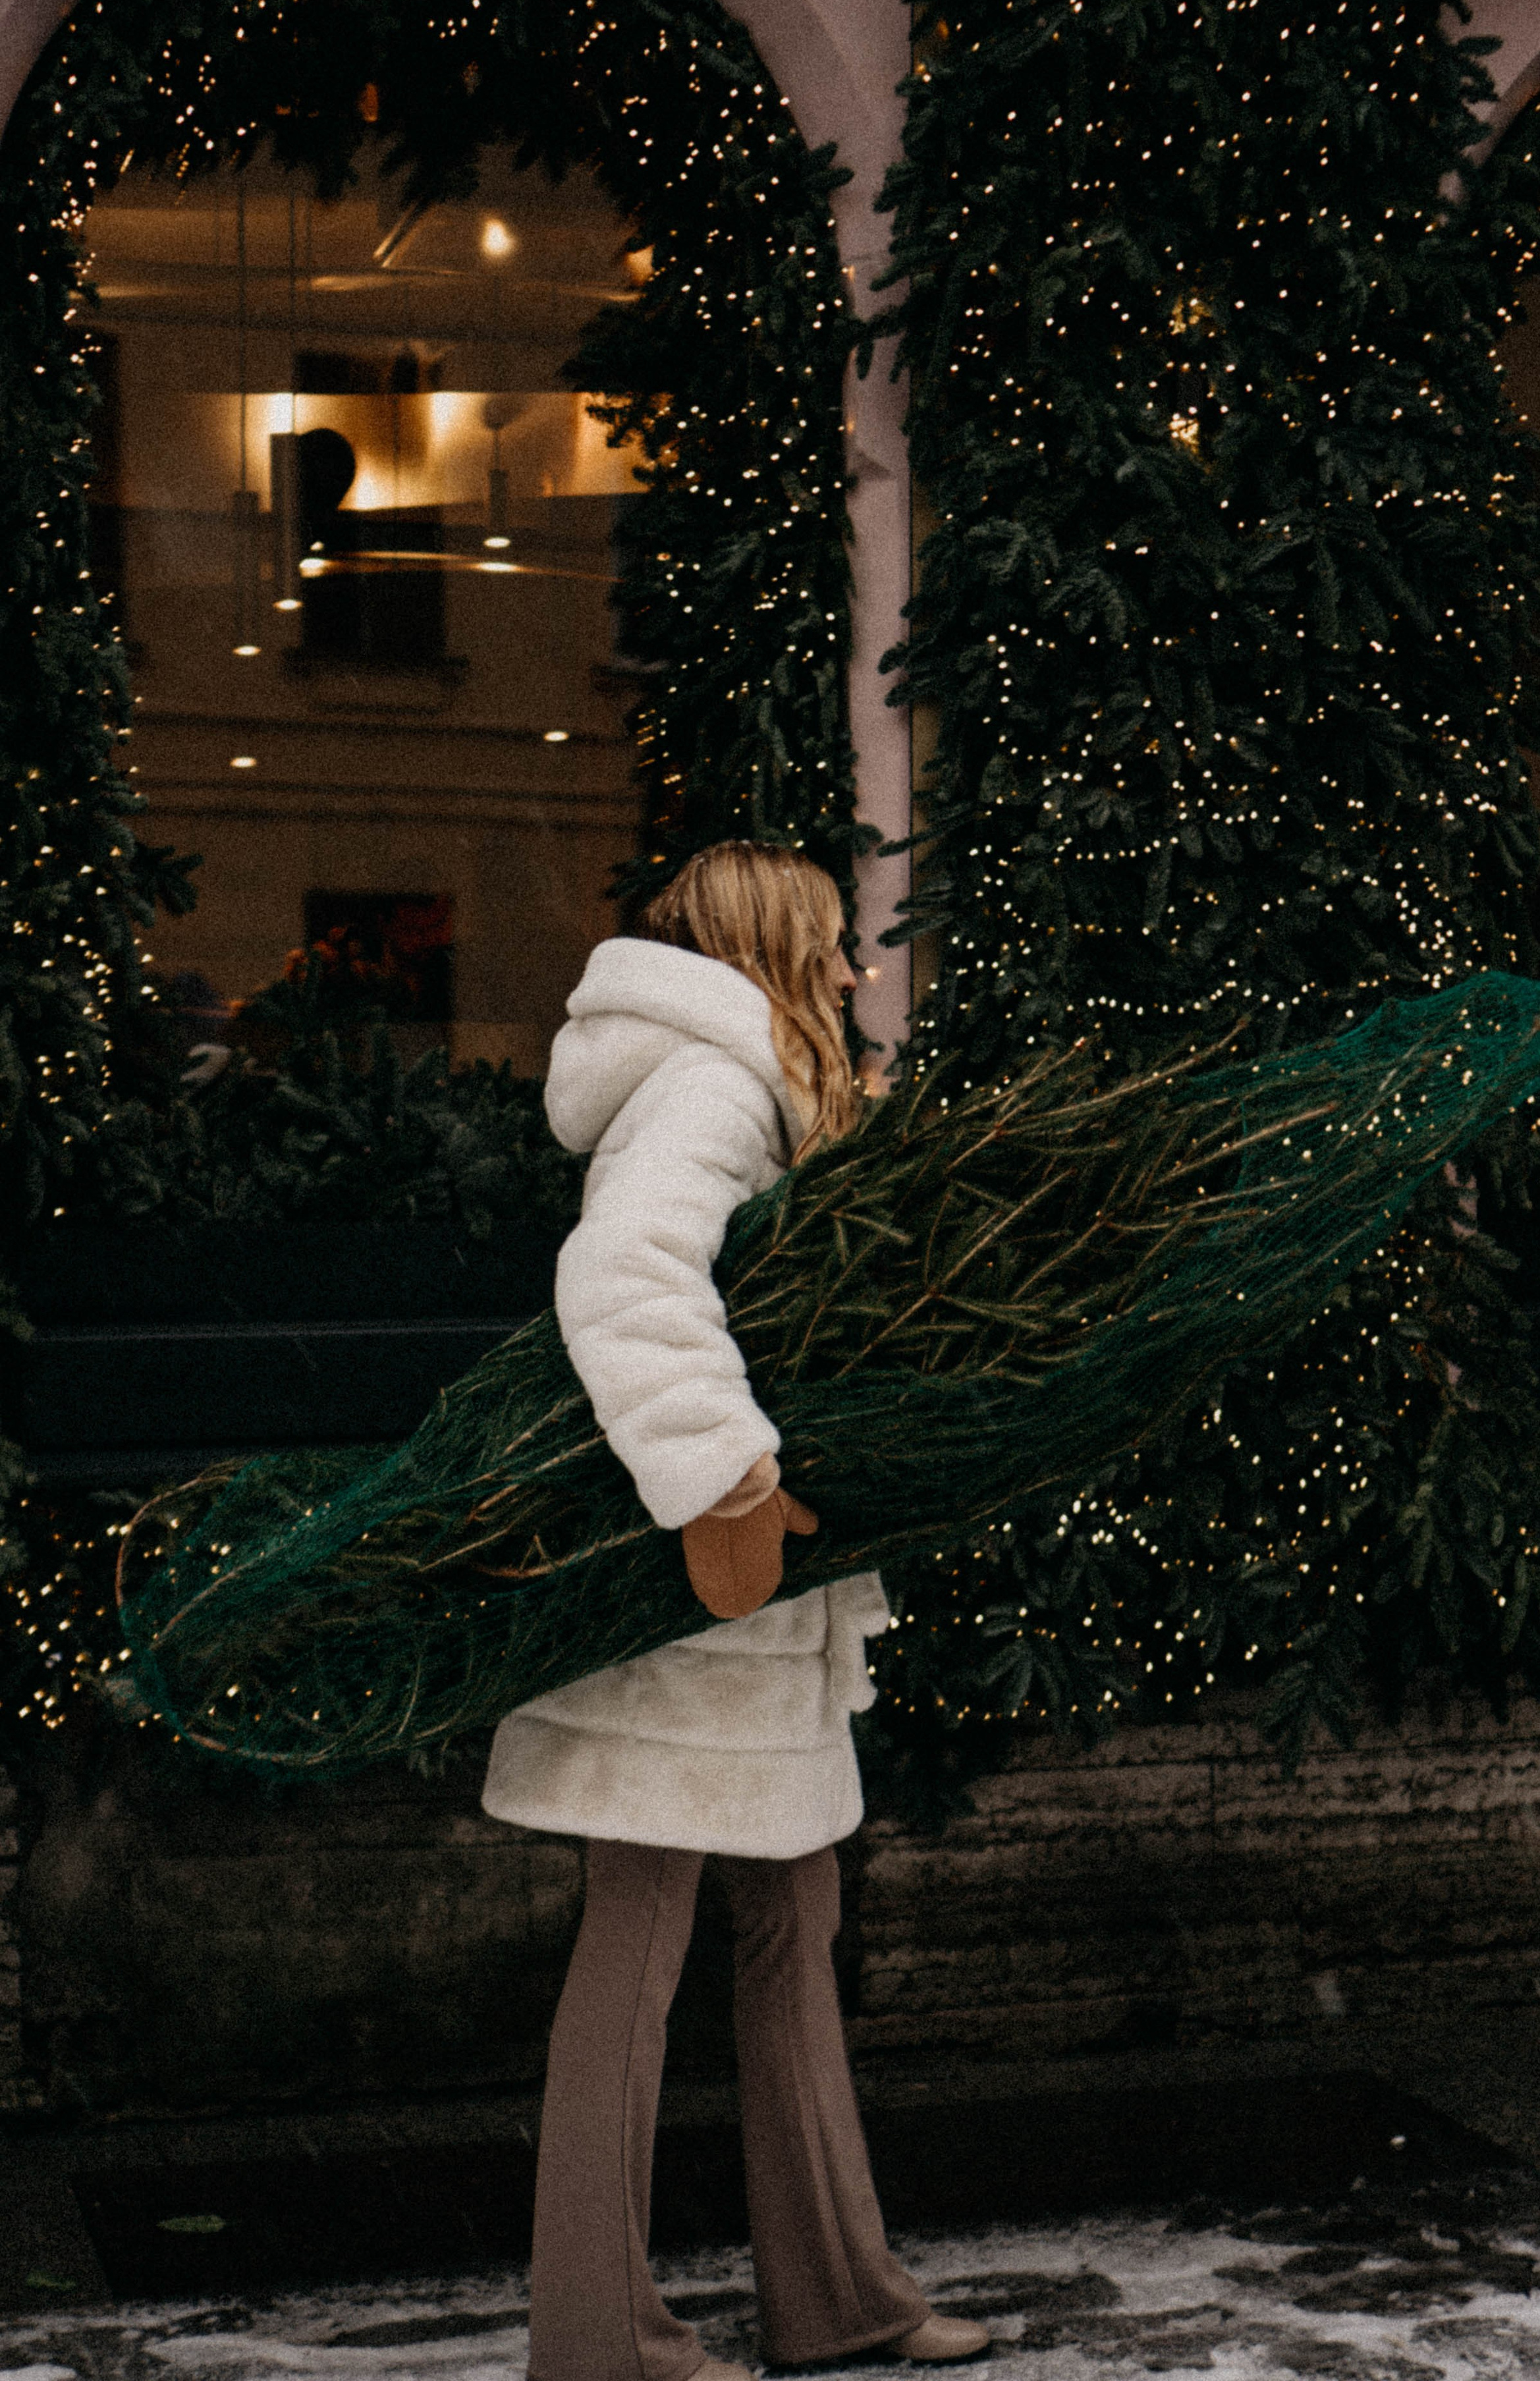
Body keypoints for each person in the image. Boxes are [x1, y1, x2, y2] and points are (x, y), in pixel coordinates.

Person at [481, 842, 990, 2381]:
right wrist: (723, 1479)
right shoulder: (707, 1089)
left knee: (789, 1918)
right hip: (689, 1598)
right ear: (773, 949)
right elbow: (625, 1276)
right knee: (642, 1941)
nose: (852, 974)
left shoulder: (751, 1083)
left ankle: (834, 2291)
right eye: (830, 946)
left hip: (753, 1618)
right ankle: (597, 2335)